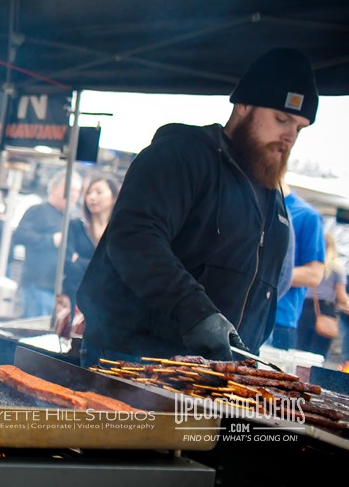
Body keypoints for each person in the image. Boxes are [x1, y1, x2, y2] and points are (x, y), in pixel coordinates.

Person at [77, 47, 319, 366]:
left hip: (218, 372)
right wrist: (196, 313)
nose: (289, 136)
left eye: (299, 128)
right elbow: (134, 237)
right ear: (243, 105)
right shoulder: (182, 155)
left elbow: (273, 283)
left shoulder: (272, 197)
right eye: (281, 119)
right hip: (132, 355)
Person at [11, 170, 82, 319]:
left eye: (78, 191)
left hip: (57, 289)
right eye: (71, 189)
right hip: (37, 284)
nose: (75, 194)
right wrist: (51, 240)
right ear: (55, 188)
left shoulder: (70, 218)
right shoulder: (38, 210)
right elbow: (20, 236)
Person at [267, 182, 325, 349]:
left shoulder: (307, 215)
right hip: (242, 315)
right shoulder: (252, 203)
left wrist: (263, 274)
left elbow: (314, 275)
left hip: (279, 321)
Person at [63, 174, 120, 311]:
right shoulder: (76, 226)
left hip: (107, 302)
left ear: (113, 197)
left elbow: (119, 269)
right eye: (88, 193)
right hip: (74, 298)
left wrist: (81, 261)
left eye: (99, 192)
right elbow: (68, 263)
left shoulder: (119, 232)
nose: (92, 197)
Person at [297, 232, 346, 358]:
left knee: (300, 350)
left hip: (306, 307)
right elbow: (341, 297)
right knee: (318, 353)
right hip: (326, 310)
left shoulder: (309, 265)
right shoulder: (336, 268)